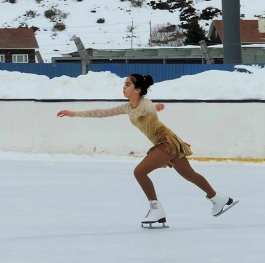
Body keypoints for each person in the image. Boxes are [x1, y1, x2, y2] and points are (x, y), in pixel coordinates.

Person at [57, 73, 236, 225]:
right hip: (165, 143)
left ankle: (156, 209)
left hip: (166, 142)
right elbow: (101, 113)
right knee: (189, 174)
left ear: (137, 90)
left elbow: (152, 107)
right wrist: (74, 114)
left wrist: (157, 107)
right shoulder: (127, 107)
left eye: (127, 84)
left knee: (140, 172)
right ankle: (217, 198)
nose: (124, 87)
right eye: (124, 84)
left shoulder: (145, 104)